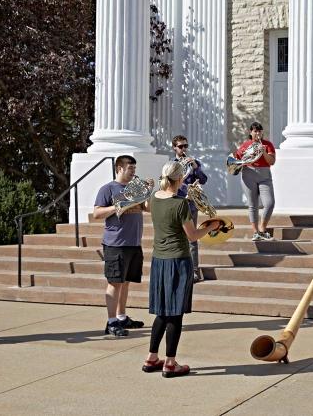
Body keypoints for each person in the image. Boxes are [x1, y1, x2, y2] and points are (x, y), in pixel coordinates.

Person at [142, 161, 220, 378]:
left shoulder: (154, 198)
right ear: (179, 179)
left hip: (159, 260)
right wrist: (211, 226)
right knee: (175, 314)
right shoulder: (180, 204)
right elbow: (192, 236)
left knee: (161, 312)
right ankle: (170, 363)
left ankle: (151, 358)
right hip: (178, 261)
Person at [93, 155, 151, 337]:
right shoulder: (108, 189)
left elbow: (147, 208)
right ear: (119, 168)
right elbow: (97, 213)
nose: (133, 172)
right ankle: (111, 322)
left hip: (134, 242)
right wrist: (118, 206)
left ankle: (121, 317)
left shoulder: (135, 188)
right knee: (114, 283)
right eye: (130, 168)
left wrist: (148, 191)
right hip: (115, 243)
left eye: (134, 168)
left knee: (125, 283)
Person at [170, 135, 208, 283]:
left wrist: (196, 168)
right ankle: (178, 270)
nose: (184, 149)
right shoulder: (171, 164)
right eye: (180, 146)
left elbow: (203, 180)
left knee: (192, 239)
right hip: (176, 203)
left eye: (186, 146)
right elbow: (167, 183)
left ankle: (194, 271)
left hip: (191, 204)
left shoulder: (194, 163)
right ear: (174, 148)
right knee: (176, 238)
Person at [235, 121, 276, 241]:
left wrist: (263, 151)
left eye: (259, 130)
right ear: (250, 132)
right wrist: (242, 159)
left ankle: (262, 229)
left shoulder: (268, 145)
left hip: (264, 175)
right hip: (249, 173)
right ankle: (255, 232)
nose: (257, 133)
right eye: (255, 131)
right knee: (253, 205)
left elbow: (271, 162)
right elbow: (237, 160)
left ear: (262, 132)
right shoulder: (245, 145)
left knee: (269, 203)